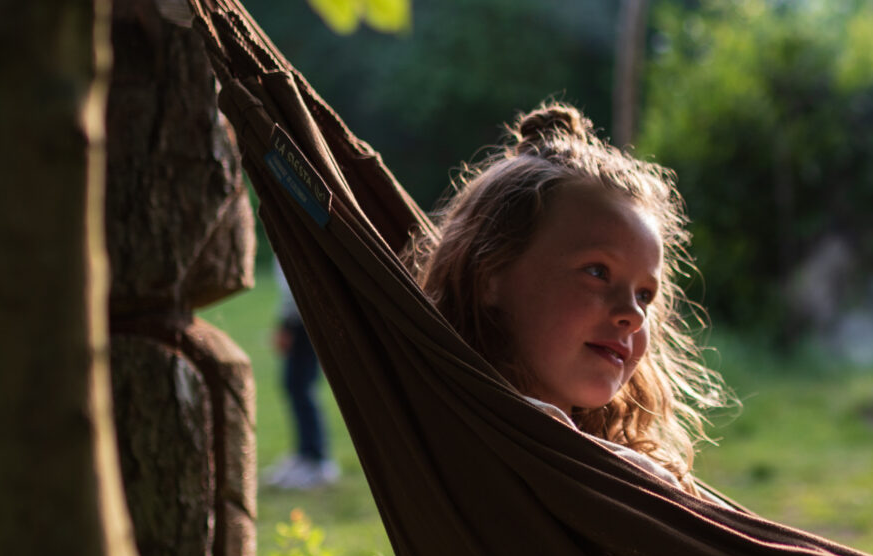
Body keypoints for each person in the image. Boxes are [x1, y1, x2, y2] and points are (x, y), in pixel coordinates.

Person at [410, 104, 721, 499]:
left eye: (645, 295)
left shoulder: (461, 425)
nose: (633, 315)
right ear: (490, 276)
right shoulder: (621, 480)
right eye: (598, 272)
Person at [266, 262, 339, 490]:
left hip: (305, 317)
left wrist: (287, 323)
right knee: (297, 386)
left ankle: (315, 460)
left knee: (300, 386)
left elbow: (297, 280)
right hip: (303, 316)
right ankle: (305, 453)